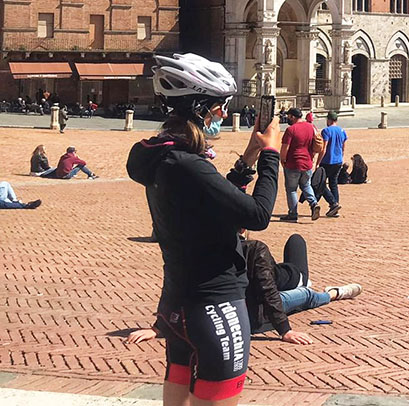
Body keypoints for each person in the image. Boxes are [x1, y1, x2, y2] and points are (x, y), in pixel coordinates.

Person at [127, 51, 281, 406]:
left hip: (179, 303)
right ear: (198, 108)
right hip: (216, 304)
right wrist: (273, 154)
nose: (224, 115)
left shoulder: (166, 157)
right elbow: (256, 215)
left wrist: (249, 158)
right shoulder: (189, 165)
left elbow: (214, 200)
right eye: (218, 107)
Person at [126, 233, 361, 348]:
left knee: (298, 273)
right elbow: (175, 286)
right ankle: (332, 293)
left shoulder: (252, 249)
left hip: (280, 280)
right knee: (305, 292)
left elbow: (269, 291)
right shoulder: (199, 252)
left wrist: (284, 331)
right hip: (263, 302)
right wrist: (158, 327)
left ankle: (326, 291)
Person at [280, 107, 321, 222]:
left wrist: (282, 160)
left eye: (288, 116)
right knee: (306, 185)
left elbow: (285, 148)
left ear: (292, 116)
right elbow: (317, 142)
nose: (287, 118)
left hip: (293, 163)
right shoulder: (311, 126)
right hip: (307, 162)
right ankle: (313, 203)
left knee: (292, 189)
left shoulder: (290, 130)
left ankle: (293, 213)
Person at [315, 113, 347, 217]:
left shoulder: (326, 131)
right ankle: (335, 206)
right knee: (333, 183)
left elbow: (323, 148)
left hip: (327, 161)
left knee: (321, 184)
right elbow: (343, 148)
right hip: (338, 160)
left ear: (328, 120)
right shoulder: (342, 131)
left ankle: (333, 203)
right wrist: (341, 158)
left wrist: (318, 162)